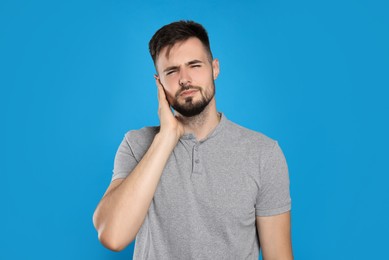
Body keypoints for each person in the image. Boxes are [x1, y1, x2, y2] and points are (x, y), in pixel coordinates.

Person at [93, 20, 293, 259]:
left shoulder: (263, 153)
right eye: (172, 71)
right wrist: (167, 137)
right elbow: (112, 235)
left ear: (214, 68)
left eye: (194, 65)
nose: (184, 79)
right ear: (159, 82)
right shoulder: (136, 144)